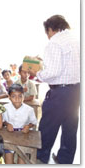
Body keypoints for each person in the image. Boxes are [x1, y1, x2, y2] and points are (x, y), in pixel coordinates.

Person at [29, 15, 80, 164]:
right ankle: (65, 159)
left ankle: (41, 158)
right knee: (70, 128)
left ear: (50, 29)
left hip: (60, 93)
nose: (48, 36)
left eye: (47, 33)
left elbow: (53, 73)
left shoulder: (55, 43)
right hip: (75, 90)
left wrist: (36, 73)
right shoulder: (75, 40)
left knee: (47, 126)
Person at [2, 84, 37, 164]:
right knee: (8, 162)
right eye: (14, 96)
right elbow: (3, 120)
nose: (17, 99)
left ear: (23, 97)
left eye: (20, 96)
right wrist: (7, 124)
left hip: (24, 136)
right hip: (10, 136)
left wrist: (28, 126)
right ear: (9, 97)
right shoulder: (5, 107)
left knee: (21, 161)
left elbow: (34, 122)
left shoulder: (29, 109)